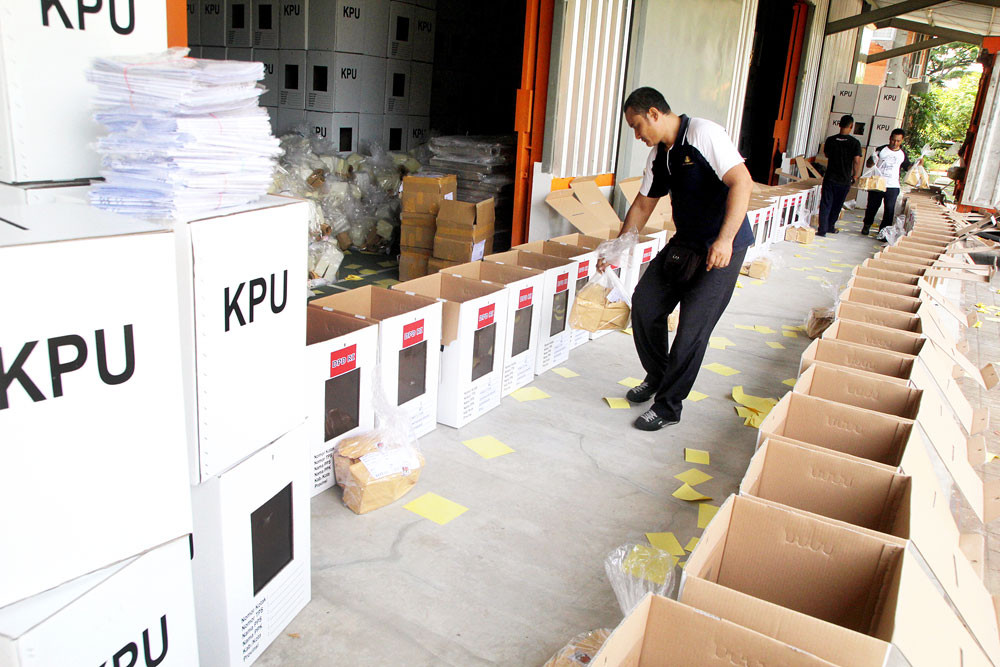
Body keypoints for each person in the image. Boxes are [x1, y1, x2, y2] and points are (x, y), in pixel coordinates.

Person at [602, 87, 753, 431]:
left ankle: (669, 406)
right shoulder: (659, 154)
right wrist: (616, 249)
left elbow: (742, 182)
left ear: (654, 113)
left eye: (638, 126)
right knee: (645, 303)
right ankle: (658, 376)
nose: (637, 135)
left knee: (692, 328)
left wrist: (725, 239)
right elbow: (642, 204)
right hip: (686, 242)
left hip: (723, 245)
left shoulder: (703, 133)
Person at [862, 128, 916, 238]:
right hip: (877, 183)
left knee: (889, 209)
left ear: (902, 141)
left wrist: (917, 163)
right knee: (872, 206)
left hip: (893, 185)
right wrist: (873, 158)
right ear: (890, 138)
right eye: (893, 140)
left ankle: (883, 232)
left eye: (898, 141)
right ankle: (867, 225)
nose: (895, 143)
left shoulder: (902, 154)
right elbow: (868, 164)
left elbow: (907, 167)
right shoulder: (881, 150)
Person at [816, 115, 862, 236]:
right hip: (844, 179)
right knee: (837, 205)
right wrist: (855, 176)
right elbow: (857, 161)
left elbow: (827, 155)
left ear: (839, 124)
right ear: (851, 127)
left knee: (826, 203)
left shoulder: (830, 140)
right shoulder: (855, 143)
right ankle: (831, 226)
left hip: (830, 177)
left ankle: (822, 230)